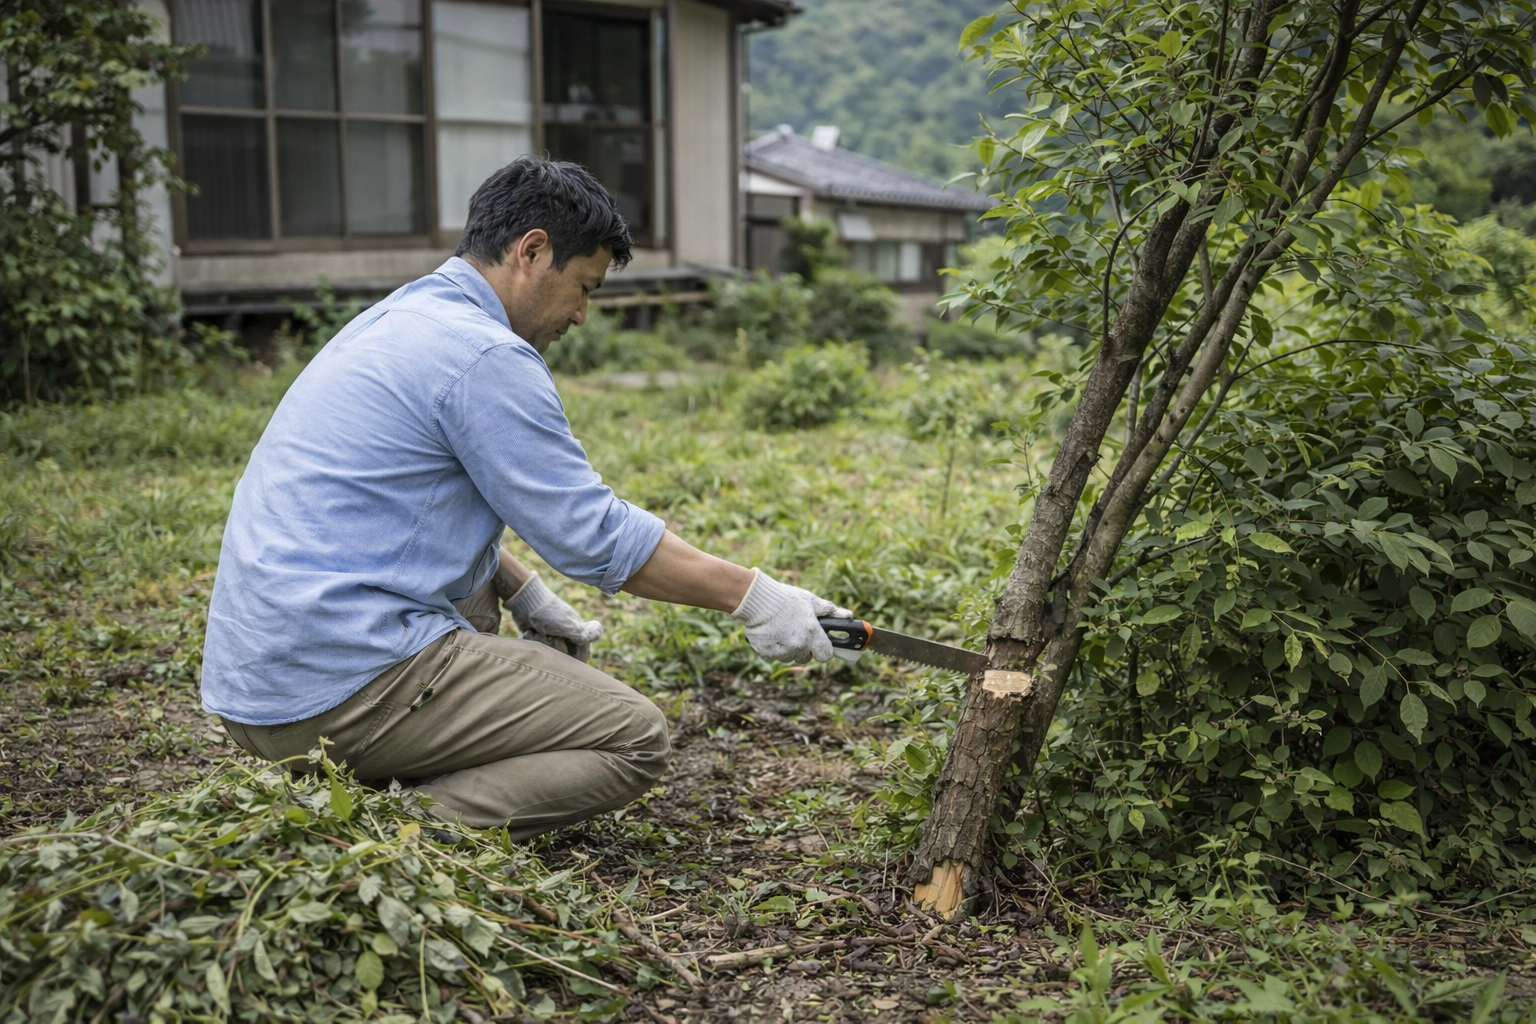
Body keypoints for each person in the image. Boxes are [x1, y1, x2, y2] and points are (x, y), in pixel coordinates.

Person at [202, 157, 849, 839]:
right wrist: (754, 596)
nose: (581, 314)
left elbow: (403, 501)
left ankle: (381, 767)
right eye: (583, 287)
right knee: (633, 738)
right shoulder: (484, 355)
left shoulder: (399, 318)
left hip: (259, 687)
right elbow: (592, 536)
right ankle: (390, 833)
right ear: (532, 251)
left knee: (480, 599)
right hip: (329, 693)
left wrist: (523, 590)